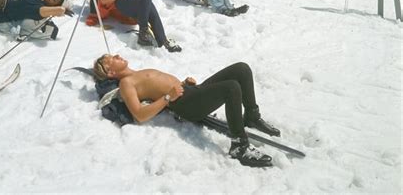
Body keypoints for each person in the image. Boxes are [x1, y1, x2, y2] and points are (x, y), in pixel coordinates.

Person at [93, 54, 279, 167]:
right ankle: (239, 146)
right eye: (113, 59)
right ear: (111, 73)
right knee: (231, 88)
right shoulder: (127, 84)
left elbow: (161, 86)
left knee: (242, 69)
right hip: (187, 105)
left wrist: (182, 84)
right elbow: (139, 115)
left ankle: (252, 116)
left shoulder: (136, 73)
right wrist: (167, 98)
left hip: (190, 92)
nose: (117, 55)